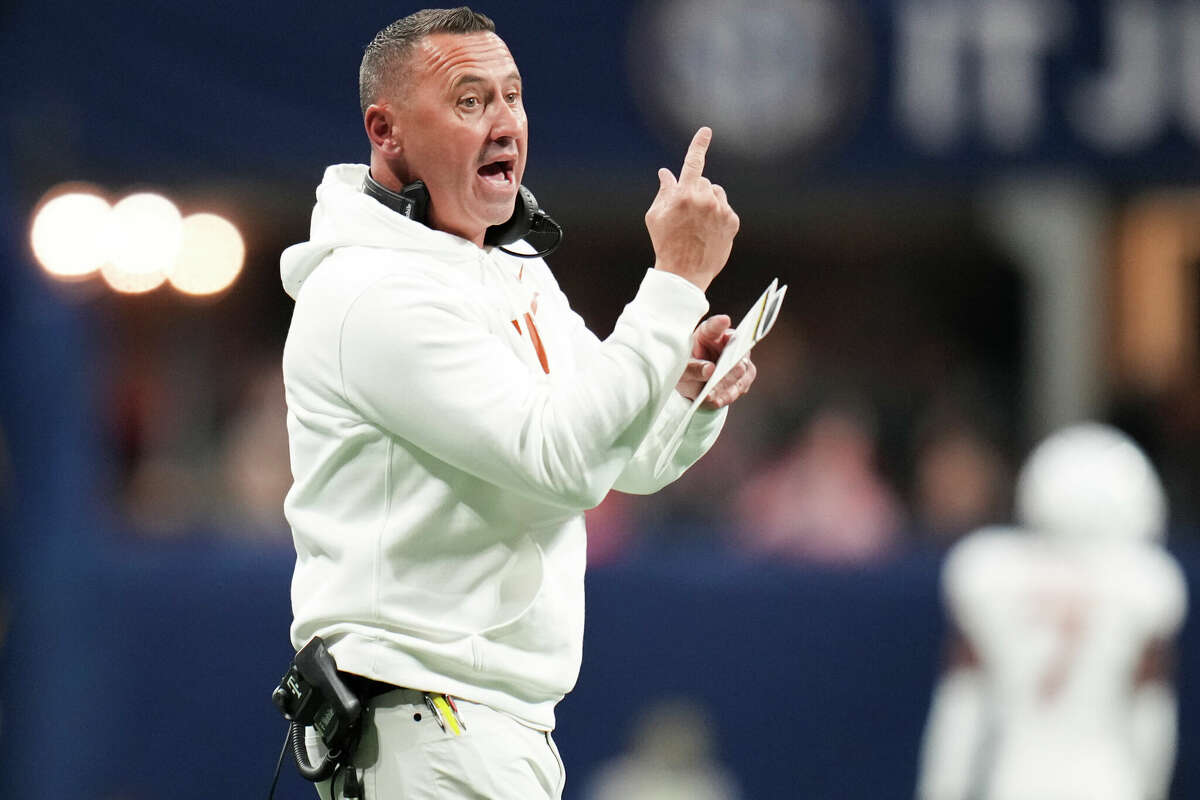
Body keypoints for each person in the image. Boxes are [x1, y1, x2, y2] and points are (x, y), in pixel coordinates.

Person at [279, 8, 752, 799]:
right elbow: (562, 463)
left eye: (512, 96)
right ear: (385, 130)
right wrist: (673, 284)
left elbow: (619, 457)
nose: (504, 123)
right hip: (425, 722)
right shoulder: (372, 289)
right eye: (470, 101)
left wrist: (685, 399)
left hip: (480, 725)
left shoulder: (506, 266)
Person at [916, 423, 1188, 800]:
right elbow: (1150, 721)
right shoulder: (1146, 584)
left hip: (1015, 782)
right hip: (1109, 783)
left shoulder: (989, 572)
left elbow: (960, 714)